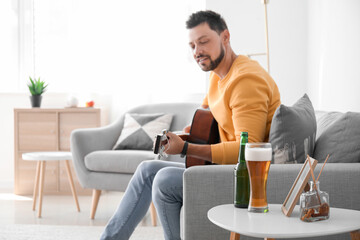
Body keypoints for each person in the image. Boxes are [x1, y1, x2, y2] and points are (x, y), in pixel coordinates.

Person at [100, 10, 281, 240]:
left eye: (204, 42)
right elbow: (201, 126)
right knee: (147, 170)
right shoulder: (218, 75)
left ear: (225, 37)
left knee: (164, 180)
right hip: (224, 169)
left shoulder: (245, 80)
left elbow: (248, 150)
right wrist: (180, 137)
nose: (197, 52)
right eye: (192, 46)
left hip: (245, 179)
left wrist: (185, 149)